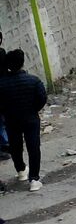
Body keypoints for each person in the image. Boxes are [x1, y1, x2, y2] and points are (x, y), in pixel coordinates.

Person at [0, 49, 47, 191]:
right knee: (33, 147)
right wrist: (33, 110)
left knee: (15, 147)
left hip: (11, 120)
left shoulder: (2, 84)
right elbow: (42, 99)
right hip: (31, 118)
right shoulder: (34, 80)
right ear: (22, 63)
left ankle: (21, 171)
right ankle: (34, 179)